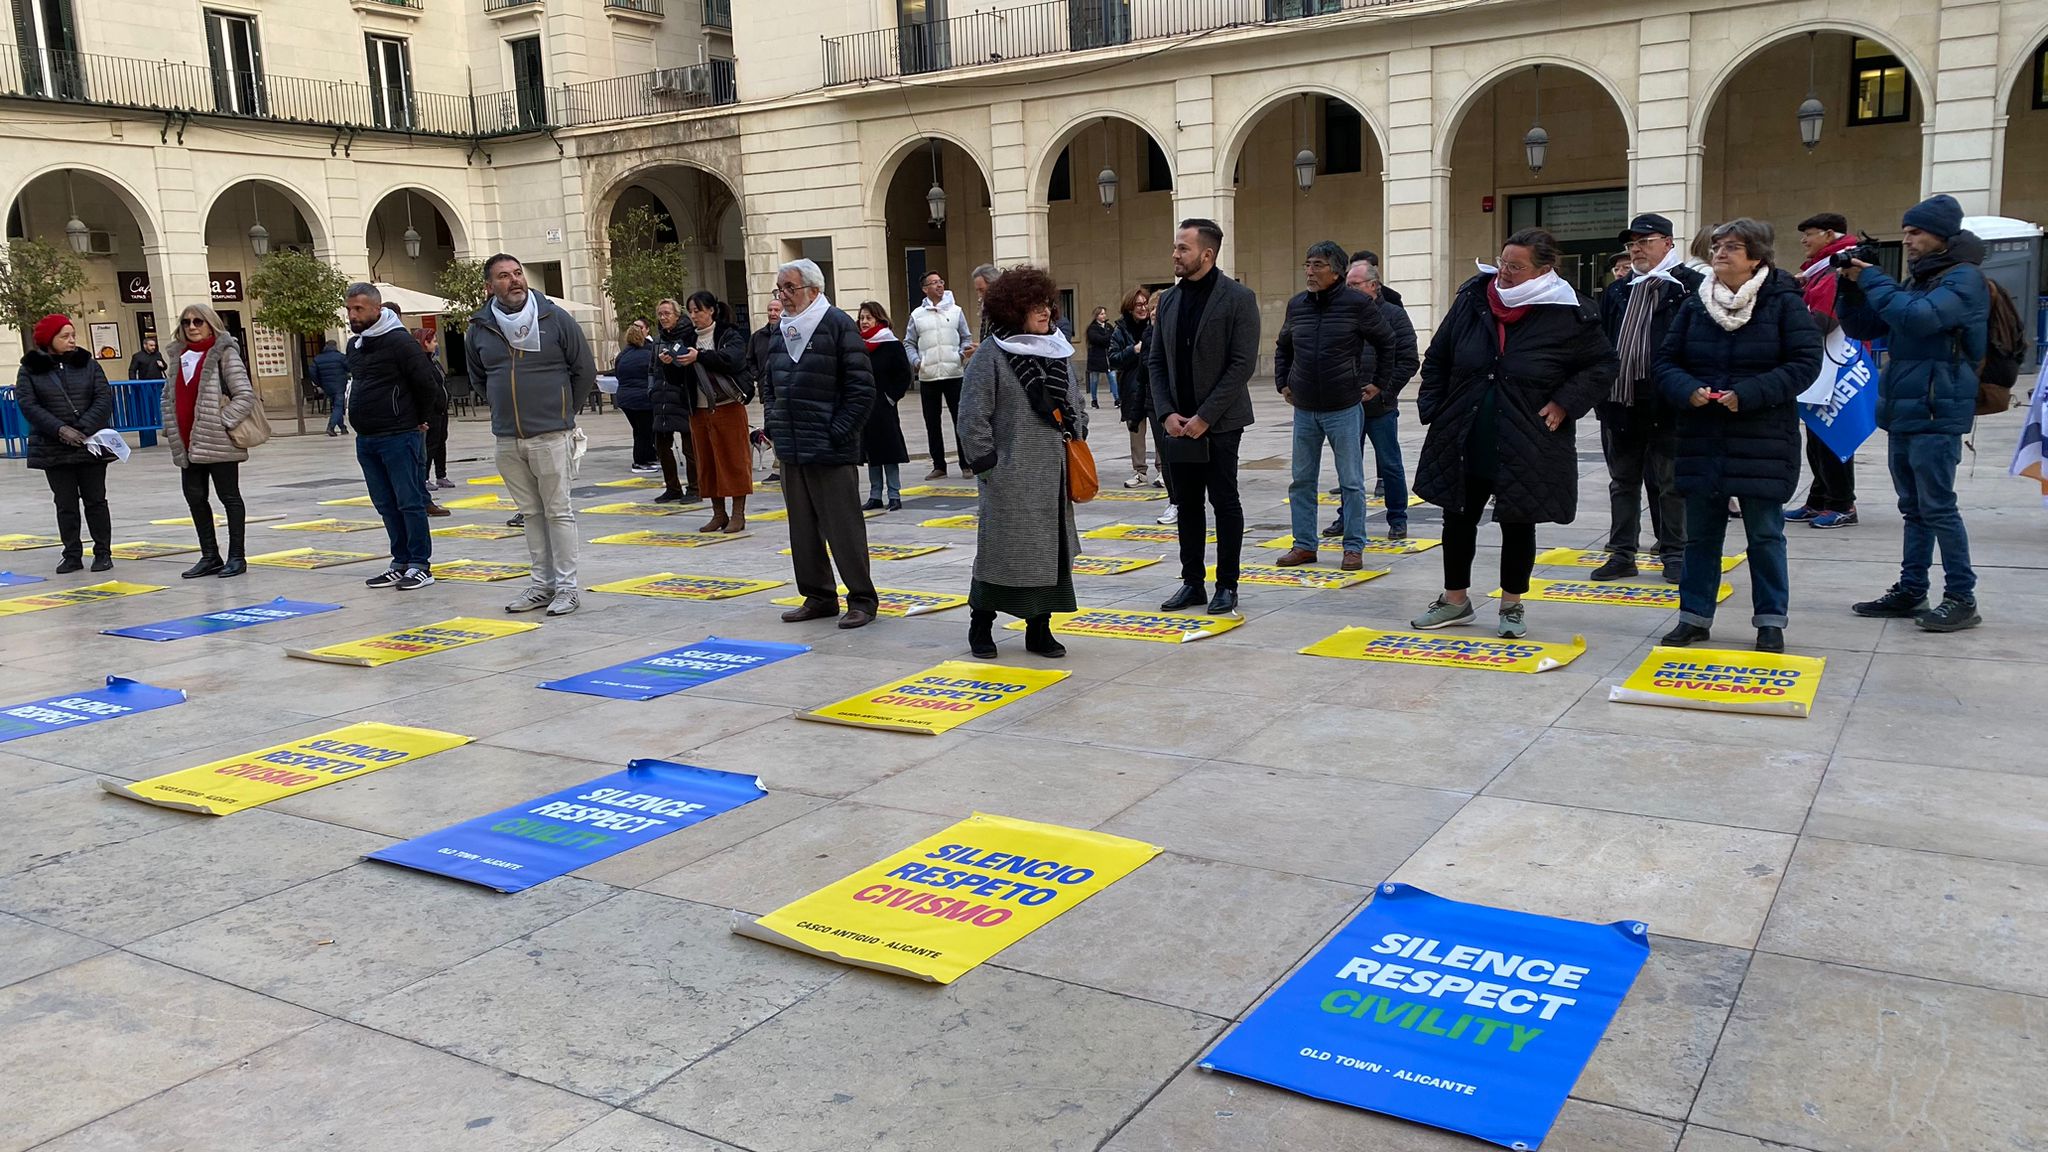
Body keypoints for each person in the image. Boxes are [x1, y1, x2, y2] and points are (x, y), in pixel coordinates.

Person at [1411, 228, 1616, 638]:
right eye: (1502, 262)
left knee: (1518, 521)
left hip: (1527, 435)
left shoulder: (1570, 311)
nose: (1504, 273)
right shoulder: (1474, 298)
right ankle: (1455, 600)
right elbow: (1438, 356)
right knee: (1457, 518)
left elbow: (1601, 366)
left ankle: (1511, 605)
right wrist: (1433, 406)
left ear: (1544, 270)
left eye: (1516, 267)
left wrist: (1564, 402)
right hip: (1466, 429)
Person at [1653, 218, 1822, 653]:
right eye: (1716, 247)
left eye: (1732, 247)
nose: (1720, 254)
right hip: (1702, 434)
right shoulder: (1695, 304)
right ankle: (1693, 617)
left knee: (1765, 534)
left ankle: (1769, 622)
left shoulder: (1783, 302)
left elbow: (1804, 364)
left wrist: (1746, 394)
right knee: (1702, 536)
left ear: (1757, 256)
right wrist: (1686, 390)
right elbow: (1666, 361)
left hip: (1762, 436)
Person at [1839, 194, 1987, 632]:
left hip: (1939, 409)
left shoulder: (1963, 280)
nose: (1907, 240)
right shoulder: (1921, 279)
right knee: (1914, 508)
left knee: (1938, 506)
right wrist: (1850, 287)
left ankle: (1962, 596)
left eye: (1916, 232)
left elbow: (1919, 319)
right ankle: (1911, 588)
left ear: (1942, 235)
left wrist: (1873, 280)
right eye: (1905, 231)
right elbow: (1865, 327)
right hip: (1906, 409)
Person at [959, 265, 1084, 660]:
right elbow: (971, 416)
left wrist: (1077, 429)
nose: (1045, 311)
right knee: (1001, 555)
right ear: (1013, 310)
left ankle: (1039, 629)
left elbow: (1077, 406)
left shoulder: (1059, 351)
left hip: (1053, 477)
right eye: (1034, 306)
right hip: (1008, 478)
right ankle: (981, 625)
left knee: (1049, 555)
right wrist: (989, 467)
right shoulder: (992, 355)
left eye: (1046, 303)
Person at [465, 253, 595, 617]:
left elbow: (583, 369)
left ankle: (567, 588)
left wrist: (564, 410)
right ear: (490, 286)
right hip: (508, 437)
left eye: (518, 273)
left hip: (552, 433)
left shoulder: (554, 318)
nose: (515, 280)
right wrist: (500, 405)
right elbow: (478, 377)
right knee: (531, 514)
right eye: (504, 276)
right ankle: (542, 585)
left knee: (559, 512)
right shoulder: (479, 327)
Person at [1145, 218, 1261, 614]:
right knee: (1187, 505)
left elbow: (1241, 364)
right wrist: (1166, 414)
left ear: (1206, 254)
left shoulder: (1238, 298)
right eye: (1176, 247)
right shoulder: (1171, 300)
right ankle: (1192, 582)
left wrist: (1205, 416)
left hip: (1221, 425)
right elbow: (1156, 361)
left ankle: (1226, 584)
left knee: (1225, 503)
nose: (1175, 254)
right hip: (1177, 425)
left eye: (1183, 248)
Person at [763, 258, 879, 629]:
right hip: (792, 447)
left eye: (789, 288)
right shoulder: (782, 331)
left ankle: (861, 598)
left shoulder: (838, 326)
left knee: (843, 527)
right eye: (779, 289)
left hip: (830, 448)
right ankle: (818, 596)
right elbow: (768, 385)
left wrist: (837, 431)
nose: (783, 297)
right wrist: (774, 424)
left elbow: (862, 390)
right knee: (802, 527)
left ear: (814, 290)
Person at [1273, 240, 1392, 571]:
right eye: (1307, 265)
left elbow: (1387, 342)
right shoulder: (1297, 305)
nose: (1310, 272)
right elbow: (1283, 346)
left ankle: (1353, 546)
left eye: (1318, 265)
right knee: (1301, 480)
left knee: (1351, 481)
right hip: (1305, 408)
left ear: (1337, 271)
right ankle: (1304, 545)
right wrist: (1282, 381)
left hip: (1344, 407)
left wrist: (1379, 383)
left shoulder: (1357, 304)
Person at [1595, 212, 1702, 583]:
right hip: (1622, 401)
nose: (1637, 249)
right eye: (1632, 244)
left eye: (1646, 241)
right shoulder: (1619, 290)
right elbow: (1604, 343)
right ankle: (1622, 552)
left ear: (1669, 243)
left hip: (1669, 401)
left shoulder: (1689, 286)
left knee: (1670, 482)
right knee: (1622, 481)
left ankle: (1674, 551)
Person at [342, 284, 442, 590]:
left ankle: (419, 564)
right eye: (349, 309)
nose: (352, 315)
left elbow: (429, 386)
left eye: (359, 309)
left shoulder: (400, 342)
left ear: (377, 308)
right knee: (384, 502)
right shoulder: (355, 345)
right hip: (367, 437)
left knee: (409, 501)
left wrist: (420, 419)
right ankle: (399, 561)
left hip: (399, 435)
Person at [163, 302, 257, 578]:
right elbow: (166, 394)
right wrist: (169, 424)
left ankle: (237, 557)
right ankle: (209, 555)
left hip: (218, 441)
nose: (191, 327)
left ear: (210, 324)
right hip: (186, 440)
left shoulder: (223, 354)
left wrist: (221, 422)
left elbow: (245, 396)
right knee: (194, 497)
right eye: (186, 322)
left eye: (198, 321)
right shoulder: (178, 356)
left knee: (229, 498)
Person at [16, 314, 114, 572]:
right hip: (53, 446)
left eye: (73, 335)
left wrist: (82, 429)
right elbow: (29, 404)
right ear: (49, 340)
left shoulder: (89, 365)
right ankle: (72, 554)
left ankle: (103, 552)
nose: (72, 341)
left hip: (89, 444)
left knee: (96, 500)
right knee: (65, 503)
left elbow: (103, 397)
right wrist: (60, 430)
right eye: (64, 336)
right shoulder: (30, 369)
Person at [1787, 212, 1862, 528]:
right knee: (1817, 436)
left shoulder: (1837, 271)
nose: (1804, 240)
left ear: (1830, 235)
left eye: (1810, 233)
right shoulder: (1820, 270)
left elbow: (1826, 319)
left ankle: (1842, 503)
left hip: (1836, 364)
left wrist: (1789, 321)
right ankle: (1819, 500)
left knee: (1833, 436)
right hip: (1822, 365)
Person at [1337, 256, 1417, 539]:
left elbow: (1408, 360)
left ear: (1373, 285)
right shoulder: (1343, 314)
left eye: (1355, 284)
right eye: (1347, 284)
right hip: (1345, 406)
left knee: (1390, 464)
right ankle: (1345, 518)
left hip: (1380, 407)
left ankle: (1397, 518)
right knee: (1347, 467)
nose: (1350, 289)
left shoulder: (1394, 315)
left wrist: (1385, 389)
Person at [672, 290, 755, 533]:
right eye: (691, 311)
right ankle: (719, 514)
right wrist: (670, 363)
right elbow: (677, 377)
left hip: (727, 406)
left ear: (711, 311)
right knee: (707, 462)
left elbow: (734, 360)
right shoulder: (687, 338)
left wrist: (701, 356)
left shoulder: (729, 334)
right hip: (698, 409)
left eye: (698, 310)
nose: (694, 315)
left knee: (734, 460)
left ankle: (738, 514)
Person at [904, 271, 971, 479]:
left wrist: (960, 355)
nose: (939, 285)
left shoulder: (956, 311)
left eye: (940, 282)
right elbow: (909, 342)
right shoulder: (917, 315)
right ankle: (939, 465)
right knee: (932, 422)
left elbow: (966, 337)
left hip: (954, 373)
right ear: (925, 289)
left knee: (960, 420)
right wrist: (916, 362)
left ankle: (966, 463)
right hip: (928, 376)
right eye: (934, 283)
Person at [1109, 287, 1170, 501]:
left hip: (1154, 387)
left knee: (1160, 429)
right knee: (1136, 431)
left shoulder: (1156, 325)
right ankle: (1140, 471)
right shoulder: (1120, 330)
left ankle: (1163, 471)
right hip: (1131, 387)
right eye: (1139, 305)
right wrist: (1133, 350)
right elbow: (1113, 358)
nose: (1144, 309)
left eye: (1147, 304)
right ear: (1130, 308)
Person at [857, 301, 912, 511]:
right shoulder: (858, 345)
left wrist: (891, 397)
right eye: (862, 318)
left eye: (868, 318)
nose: (864, 322)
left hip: (884, 406)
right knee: (872, 452)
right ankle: (874, 495)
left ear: (879, 319)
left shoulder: (891, 343)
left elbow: (903, 375)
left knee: (888, 451)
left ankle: (894, 494)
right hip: (865, 406)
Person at [651, 298, 699, 502]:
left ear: (677, 316)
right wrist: (651, 391)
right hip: (661, 398)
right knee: (662, 446)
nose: (663, 318)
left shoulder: (690, 336)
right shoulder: (658, 339)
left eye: (666, 314)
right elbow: (652, 369)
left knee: (690, 447)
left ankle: (696, 488)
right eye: (660, 314)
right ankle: (672, 487)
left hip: (682, 396)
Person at [612, 318, 659, 477]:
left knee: (639, 430)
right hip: (643, 398)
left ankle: (648, 457)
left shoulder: (622, 355)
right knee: (644, 430)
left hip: (625, 397)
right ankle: (640, 461)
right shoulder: (650, 352)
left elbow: (617, 374)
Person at [747, 296, 784, 481]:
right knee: (771, 429)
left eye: (777, 310)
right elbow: (749, 359)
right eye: (770, 310)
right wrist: (758, 375)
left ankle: (785, 466)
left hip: (785, 390)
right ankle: (777, 467)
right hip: (766, 391)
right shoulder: (758, 336)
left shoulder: (789, 333)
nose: (772, 313)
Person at [415, 326, 454, 502]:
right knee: (430, 444)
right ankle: (424, 477)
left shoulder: (434, 361)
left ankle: (441, 474)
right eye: (434, 341)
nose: (436, 344)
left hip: (441, 410)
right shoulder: (421, 363)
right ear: (426, 342)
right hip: (431, 411)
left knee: (440, 442)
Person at [310, 339, 349, 437]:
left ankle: (342, 427)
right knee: (338, 406)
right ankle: (330, 427)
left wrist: (319, 383)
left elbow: (312, 372)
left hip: (327, 386)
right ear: (335, 346)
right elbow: (349, 367)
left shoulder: (318, 358)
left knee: (336, 406)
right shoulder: (340, 357)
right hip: (339, 385)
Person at [1085, 306, 1116, 408]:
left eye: (1104, 313)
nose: (1104, 316)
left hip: (1108, 358)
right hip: (1096, 358)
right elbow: (1097, 339)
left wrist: (1106, 339)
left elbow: (1113, 338)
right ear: (1097, 316)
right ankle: (1094, 400)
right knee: (1094, 380)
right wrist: (1107, 338)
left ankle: (1117, 399)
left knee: (1112, 377)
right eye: (1101, 314)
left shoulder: (1109, 326)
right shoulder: (1092, 328)